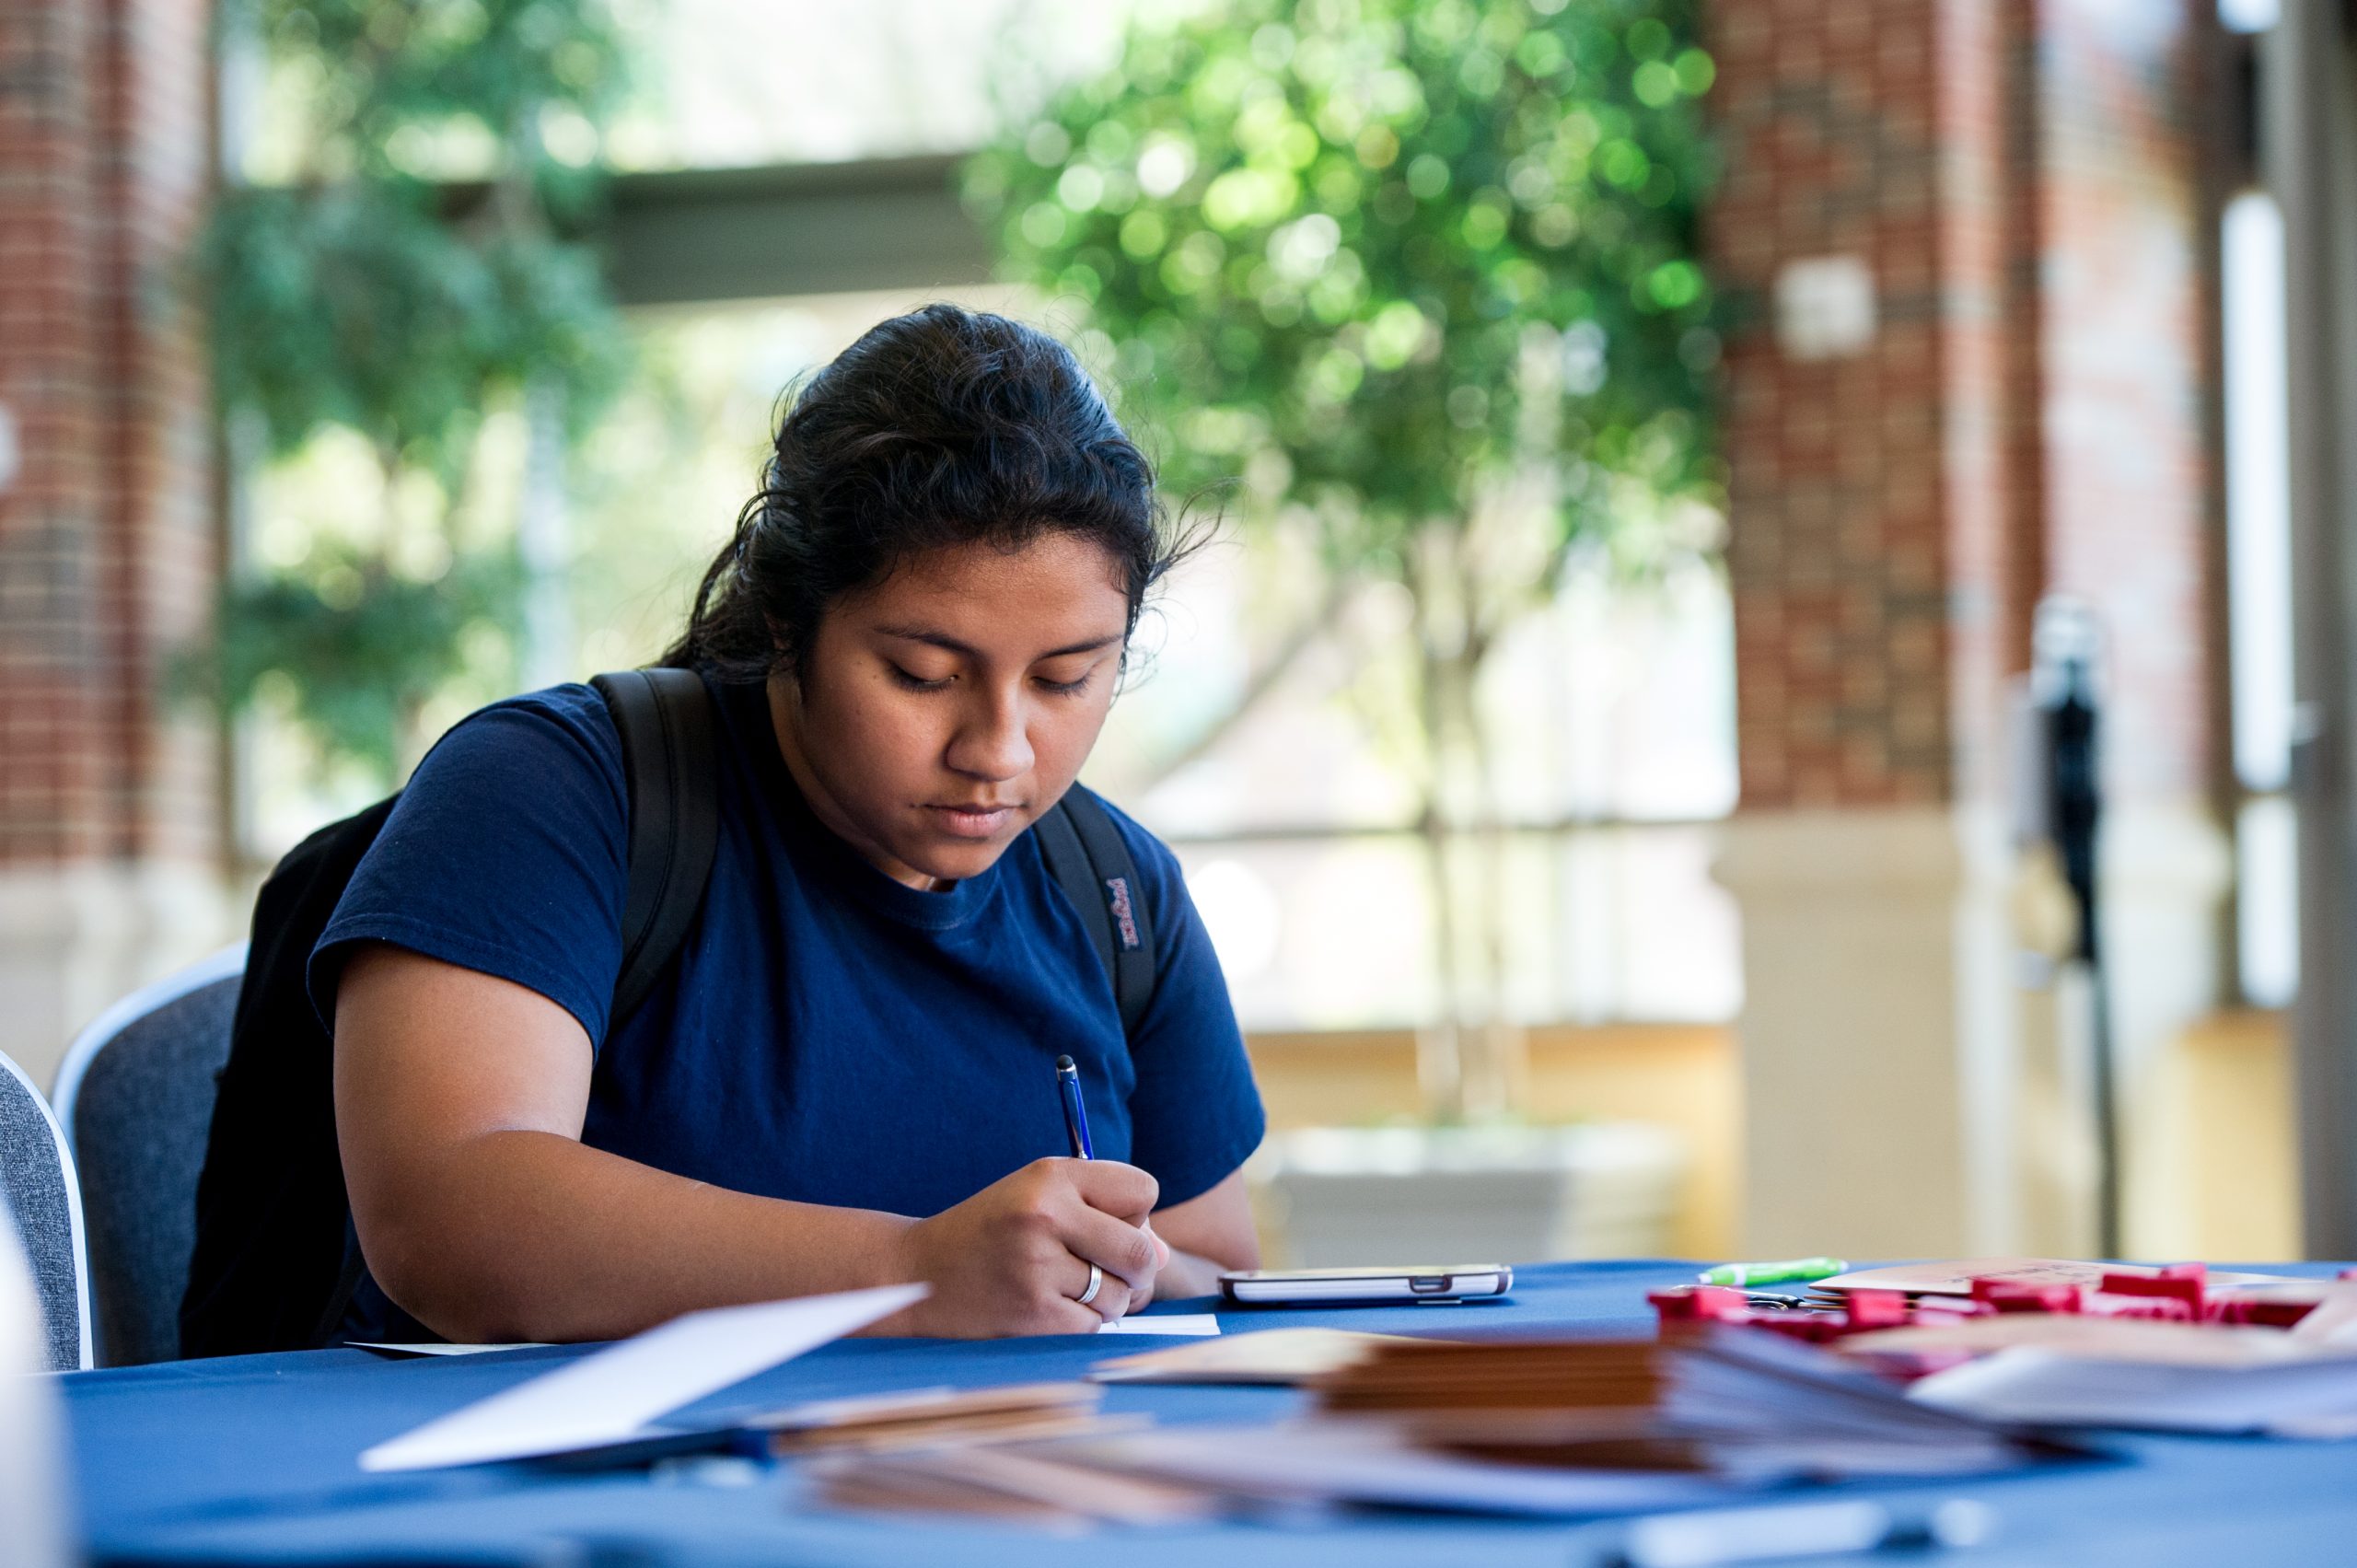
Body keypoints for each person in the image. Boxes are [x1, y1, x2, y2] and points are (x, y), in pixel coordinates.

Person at [317, 304, 1265, 1343]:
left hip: (987, 1489)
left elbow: (1215, 1263)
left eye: (1067, 677)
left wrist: (1085, 1267)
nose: (999, 747)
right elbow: (443, 1216)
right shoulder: (555, 789)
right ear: (786, 617)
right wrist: (914, 1272)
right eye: (923, 674)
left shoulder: (1116, 887)